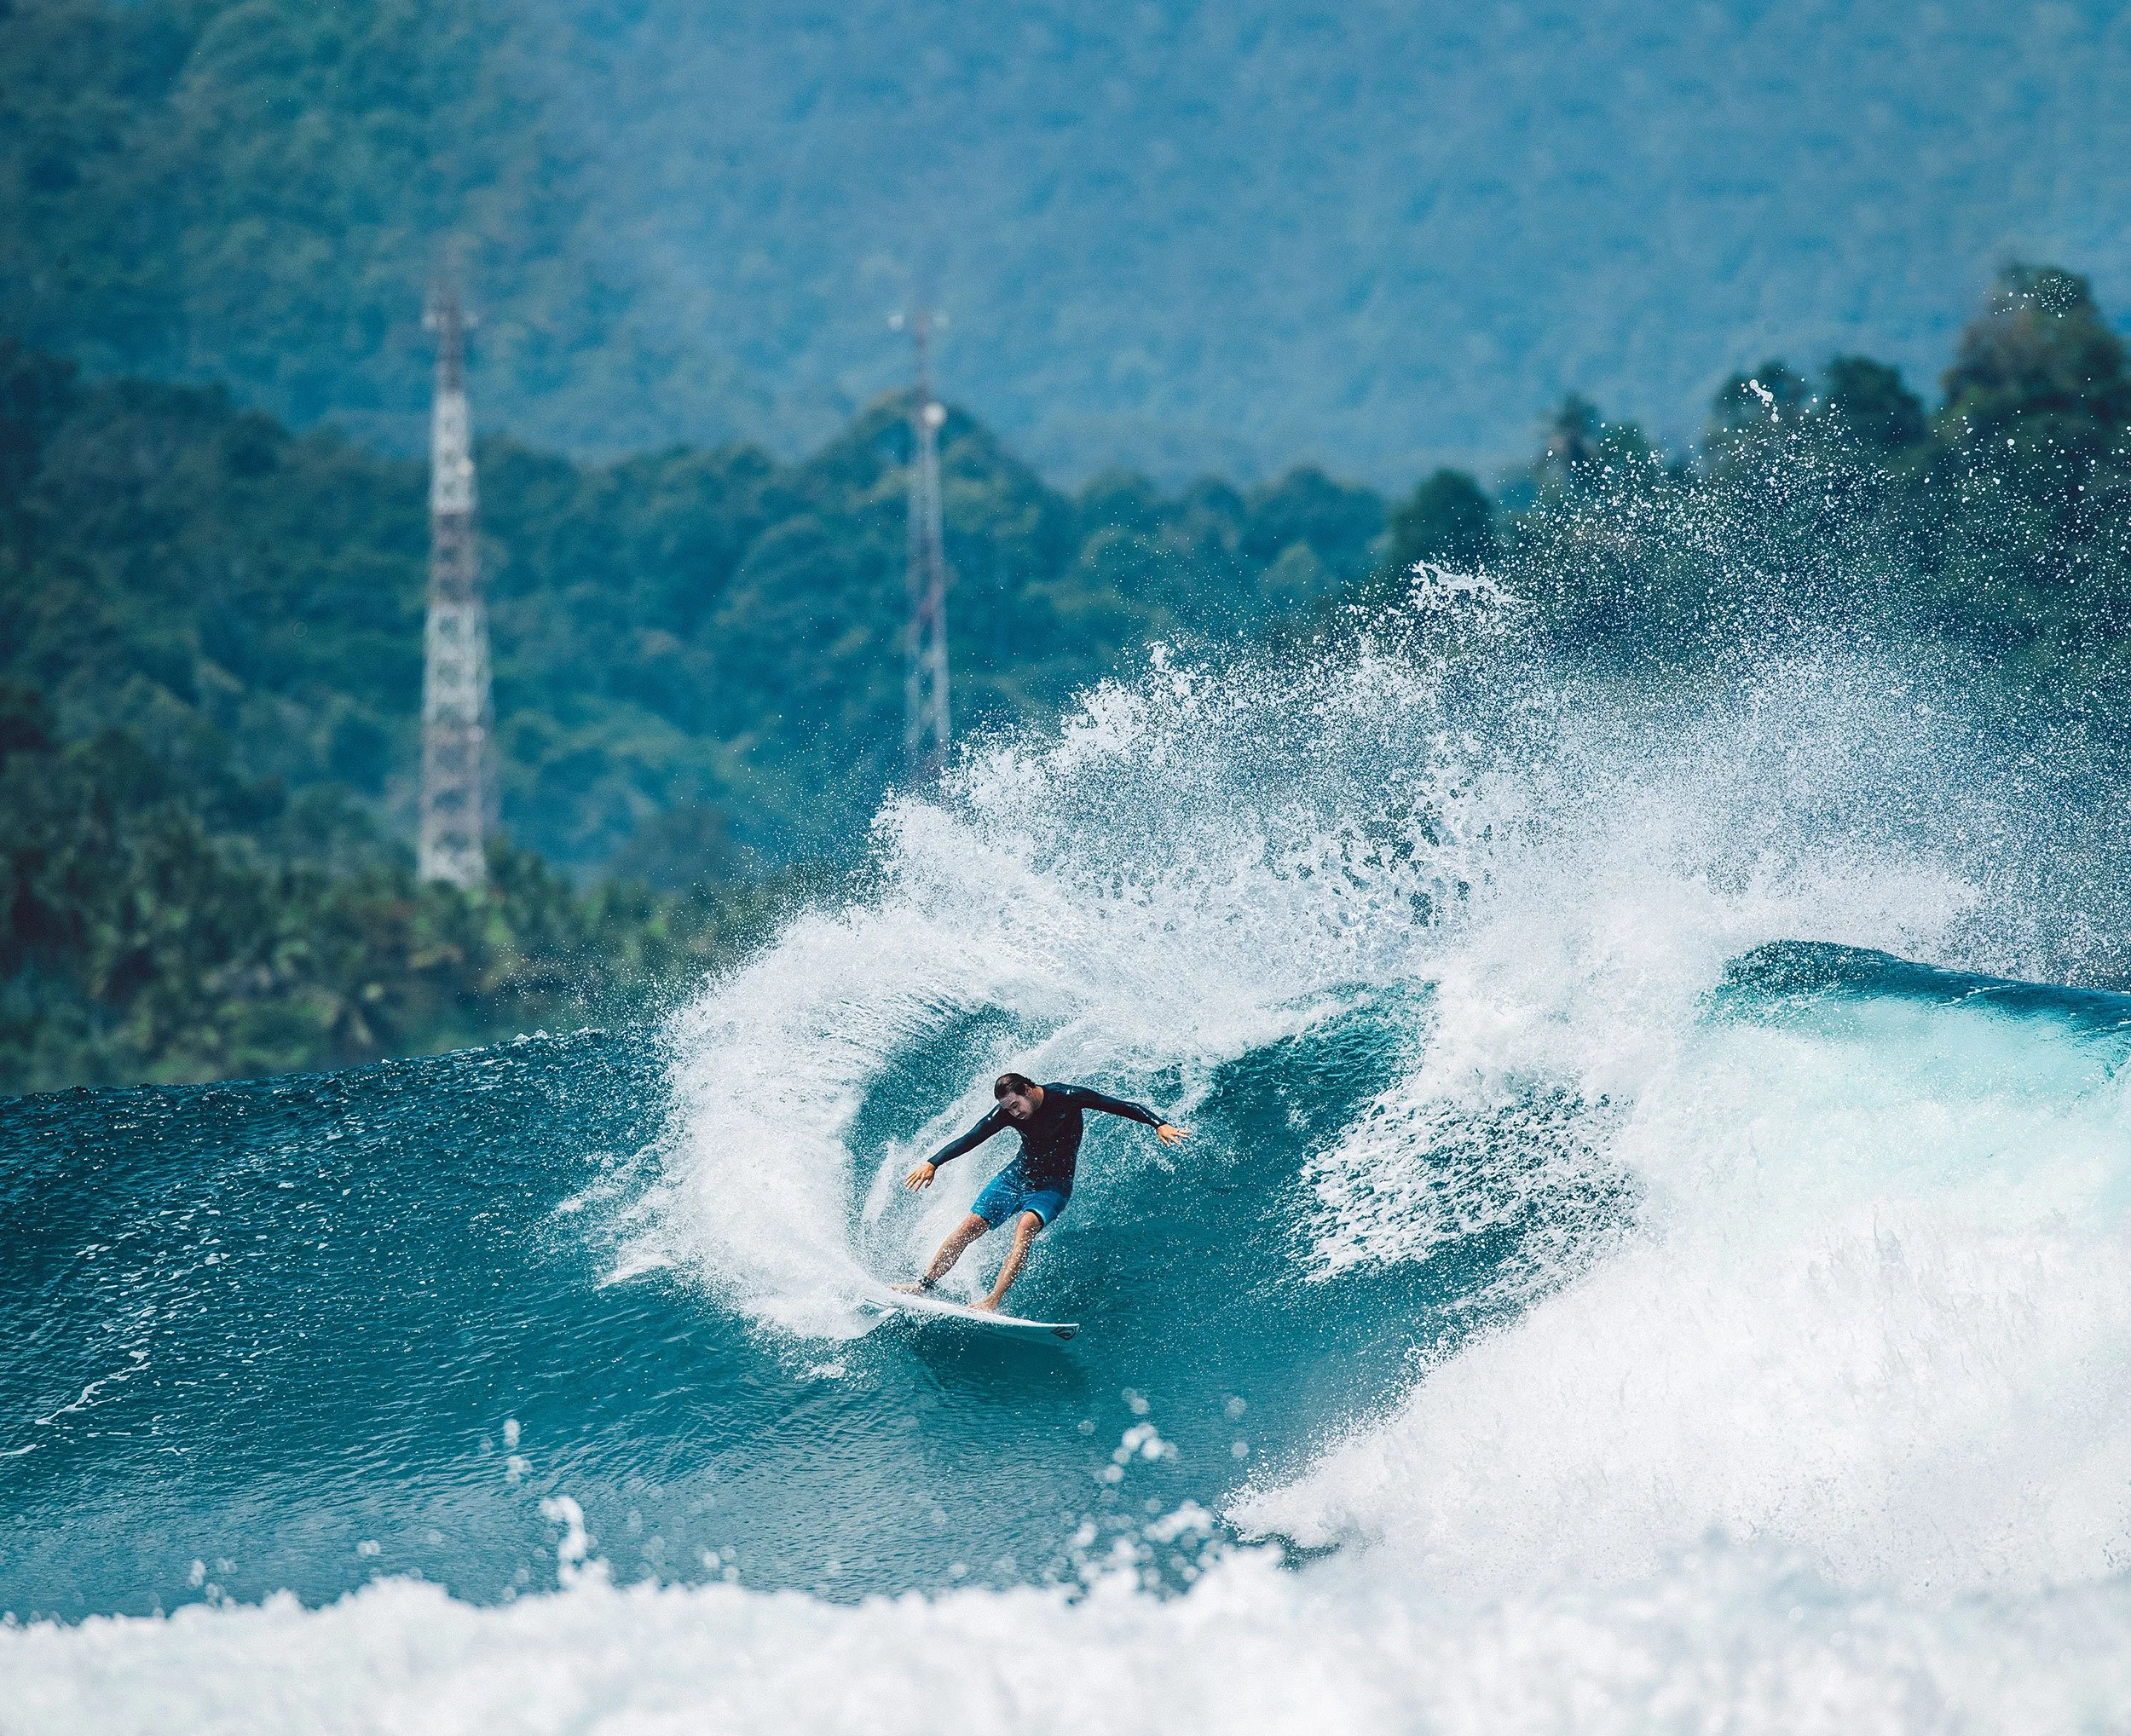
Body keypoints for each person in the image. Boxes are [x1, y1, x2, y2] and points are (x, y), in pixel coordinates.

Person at [896, 1072, 1187, 1312]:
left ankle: (991, 1302)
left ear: (1029, 1089)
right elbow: (973, 1136)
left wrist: (1158, 1123)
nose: (1013, 1113)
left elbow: (1120, 1106)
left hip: (1052, 1186)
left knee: (1026, 1226)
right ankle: (923, 1285)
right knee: (968, 1227)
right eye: (1007, 1108)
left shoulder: (1068, 1097)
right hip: (1015, 1178)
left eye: (1015, 1104)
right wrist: (933, 1162)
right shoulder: (1007, 1114)